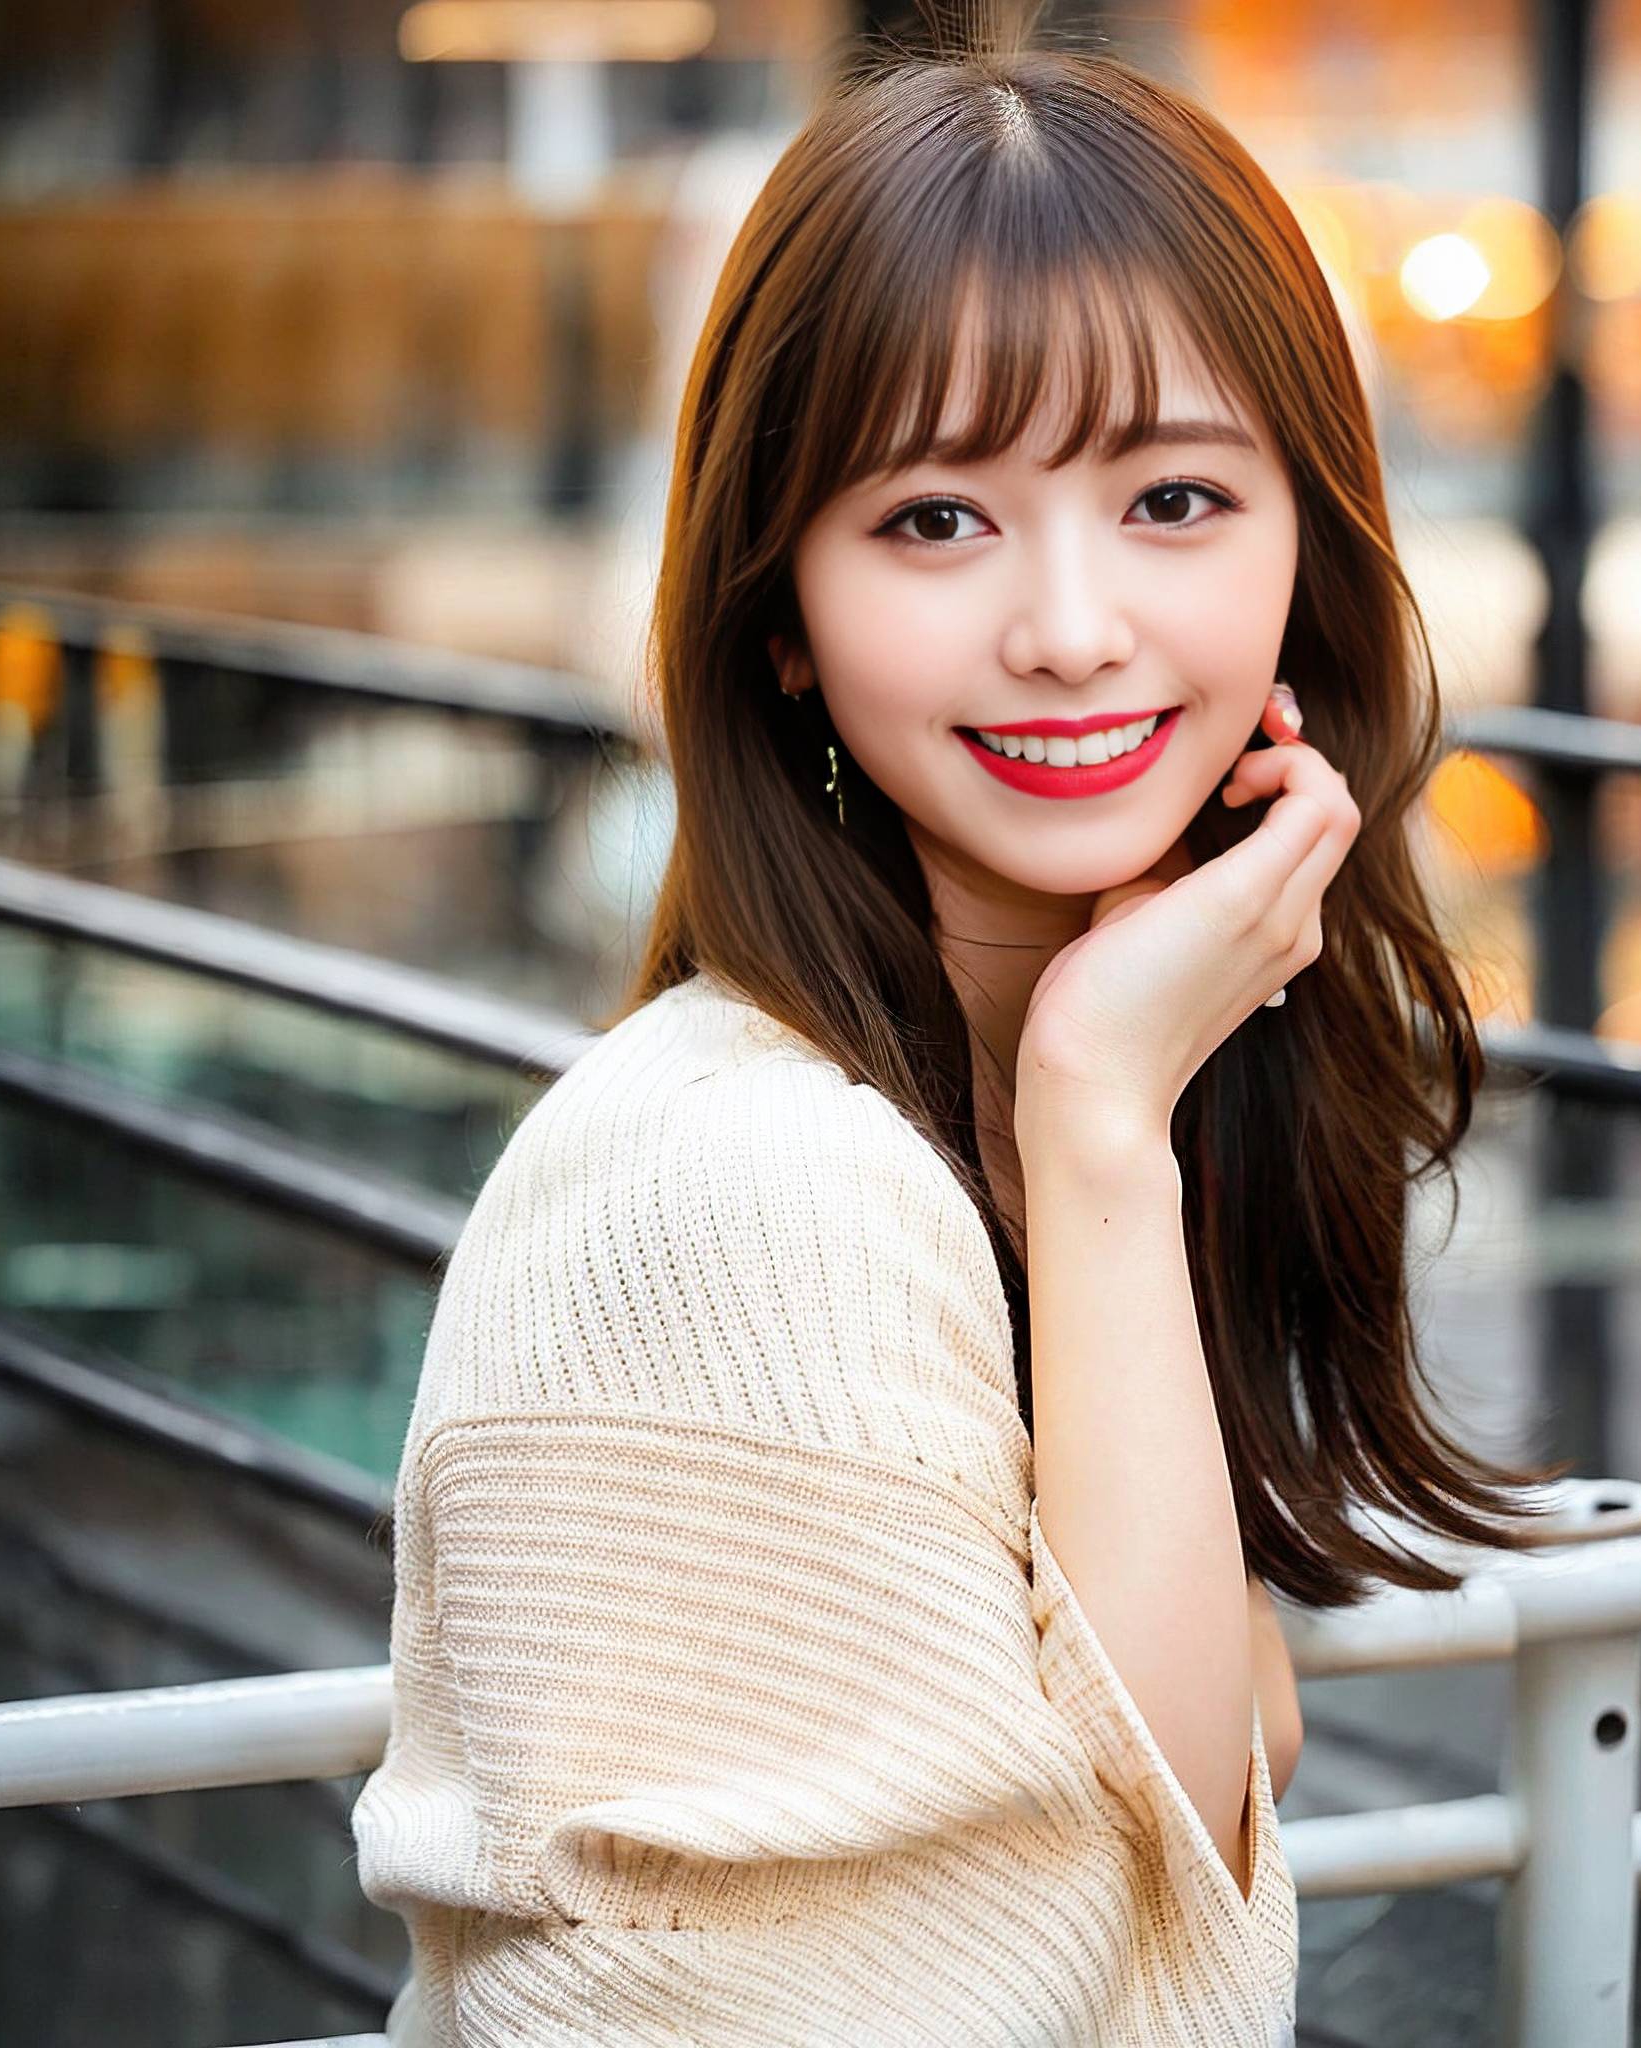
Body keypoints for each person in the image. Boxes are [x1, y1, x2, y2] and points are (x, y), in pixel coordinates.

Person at [350, 19, 1556, 2046]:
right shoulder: (753, 1180)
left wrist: (1100, 1109)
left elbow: (1159, 1800)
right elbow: (1140, 1874)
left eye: (1172, 497)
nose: (1070, 624)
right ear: (781, 614)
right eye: (934, 519)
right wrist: (1097, 1114)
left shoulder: (1070, 1077)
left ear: (1306, 550)